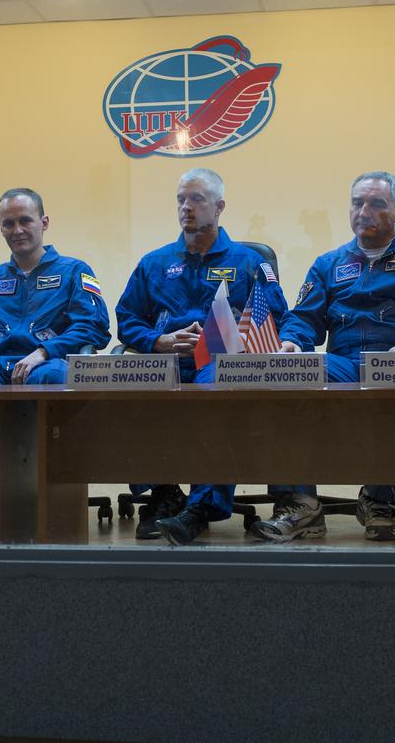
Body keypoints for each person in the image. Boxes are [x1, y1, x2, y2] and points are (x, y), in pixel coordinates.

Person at [269, 171, 395, 543]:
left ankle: (378, 499)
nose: (364, 211)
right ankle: (300, 503)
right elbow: (304, 317)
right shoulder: (329, 263)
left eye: (377, 204)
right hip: (344, 361)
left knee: (388, 386)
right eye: (357, 203)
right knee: (290, 375)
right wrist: (293, 341)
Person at [116, 168, 289, 544]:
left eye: (196, 199)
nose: (186, 207)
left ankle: (200, 508)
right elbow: (126, 319)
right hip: (168, 360)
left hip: (222, 362)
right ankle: (164, 493)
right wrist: (155, 341)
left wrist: (243, 344)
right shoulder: (155, 263)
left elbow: (276, 319)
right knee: (134, 386)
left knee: (215, 396)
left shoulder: (248, 262)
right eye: (180, 199)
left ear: (219, 206)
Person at [0, 187, 112, 541]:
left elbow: (95, 327)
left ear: (44, 222)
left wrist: (44, 351)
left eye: (25, 220)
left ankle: (40, 493)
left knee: (51, 377)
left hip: (48, 364)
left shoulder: (74, 271)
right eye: (8, 223)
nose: (17, 230)